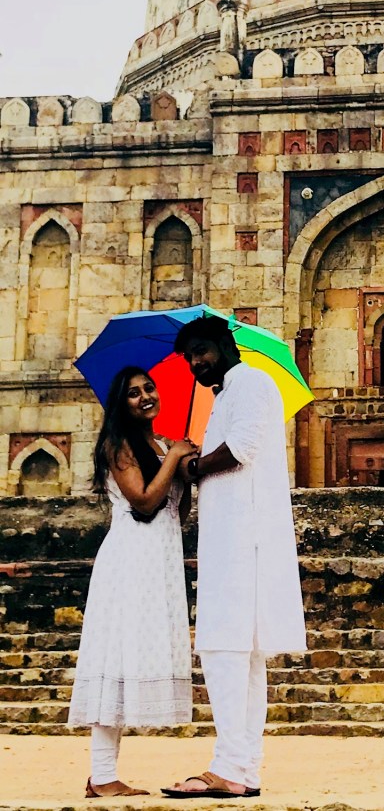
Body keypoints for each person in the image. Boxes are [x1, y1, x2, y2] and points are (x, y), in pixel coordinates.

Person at [163, 315, 306, 800]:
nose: (195, 363)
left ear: (225, 344)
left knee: (226, 649)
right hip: (234, 536)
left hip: (241, 540)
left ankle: (228, 766)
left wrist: (193, 465)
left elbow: (241, 449)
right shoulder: (227, 393)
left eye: (201, 351)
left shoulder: (250, 382)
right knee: (242, 657)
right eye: (189, 358)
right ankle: (243, 768)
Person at [67, 367, 196, 798]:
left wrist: (180, 466)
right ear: (120, 405)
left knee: (126, 662)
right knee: (115, 660)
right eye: (133, 393)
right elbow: (142, 502)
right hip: (130, 560)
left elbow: (177, 511)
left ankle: (103, 775)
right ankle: (102, 775)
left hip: (158, 560)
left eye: (149, 388)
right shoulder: (119, 444)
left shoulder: (160, 445)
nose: (145, 396)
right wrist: (175, 459)